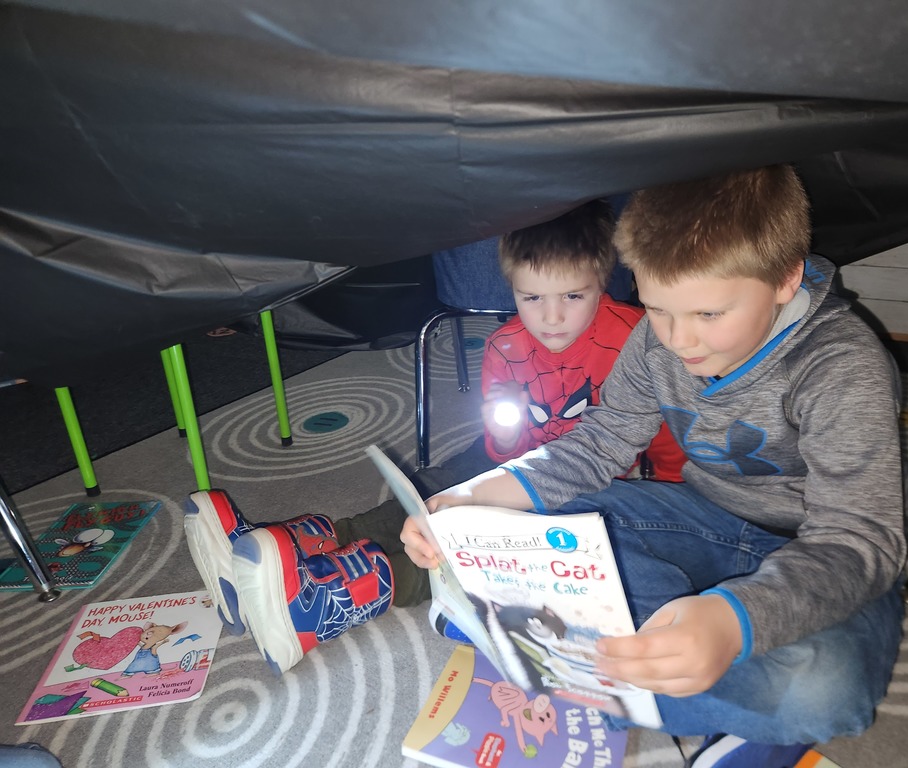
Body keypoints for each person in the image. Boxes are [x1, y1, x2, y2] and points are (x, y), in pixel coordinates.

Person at [402, 165, 907, 768]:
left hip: (818, 551)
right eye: (657, 309)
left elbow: (859, 542)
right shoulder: (654, 340)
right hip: (702, 516)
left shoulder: (844, 366)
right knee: (523, 519)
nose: (679, 340)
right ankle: (664, 674)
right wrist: (474, 498)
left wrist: (734, 623)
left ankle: (547, 647)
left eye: (709, 316)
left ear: (784, 279)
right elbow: (599, 443)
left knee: (830, 691)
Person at [183, 199, 685, 675]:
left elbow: (664, 433)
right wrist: (471, 486)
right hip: (515, 463)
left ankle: (338, 594)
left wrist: (664, 491)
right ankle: (300, 546)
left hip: (600, 485)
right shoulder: (505, 345)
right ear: (510, 288)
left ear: (602, 281)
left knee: (482, 545)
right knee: (437, 488)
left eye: (572, 296)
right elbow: (498, 448)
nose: (551, 317)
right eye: (531, 298)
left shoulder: (639, 338)